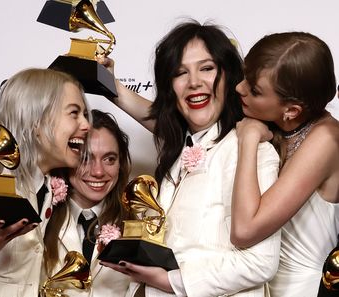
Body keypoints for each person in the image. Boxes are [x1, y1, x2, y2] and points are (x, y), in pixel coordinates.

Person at [99, 20, 281, 297]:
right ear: (169, 87)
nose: (194, 82)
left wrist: (170, 280)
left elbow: (260, 263)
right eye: (180, 72)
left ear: (229, 78)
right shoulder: (178, 149)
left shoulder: (252, 151)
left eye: (207, 68)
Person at [0, 68, 90, 296]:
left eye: (84, 115)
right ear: (36, 121)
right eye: (74, 113)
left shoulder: (50, 188)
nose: (86, 125)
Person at [231, 32, 339, 297]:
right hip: (255, 284)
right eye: (245, 76)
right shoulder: (274, 118)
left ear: (291, 110)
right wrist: (114, 89)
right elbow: (178, 130)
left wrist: (249, 140)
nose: (239, 88)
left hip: (302, 290)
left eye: (254, 89)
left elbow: (245, 231)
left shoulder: (327, 138)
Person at [42, 109, 132, 296]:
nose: (98, 171)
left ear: (120, 164)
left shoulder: (138, 224)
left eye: (109, 159)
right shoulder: (40, 217)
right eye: (85, 158)